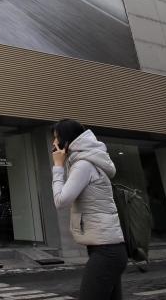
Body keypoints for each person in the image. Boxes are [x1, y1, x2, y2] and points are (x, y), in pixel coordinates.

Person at [51, 119, 128, 300]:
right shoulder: (86, 161)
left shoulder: (83, 165)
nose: (53, 143)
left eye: (56, 138)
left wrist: (58, 167)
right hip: (106, 248)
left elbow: (61, 201)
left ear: (66, 140)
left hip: (106, 251)